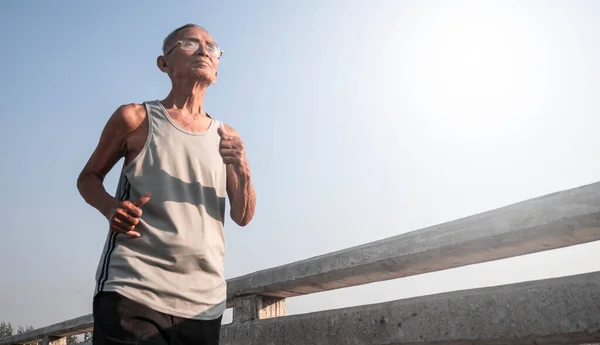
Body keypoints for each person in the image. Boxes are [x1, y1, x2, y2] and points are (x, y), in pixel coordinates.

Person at [76, 23, 256, 345]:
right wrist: (109, 207)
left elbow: (243, 215)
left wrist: (241, 165)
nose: (204, 50)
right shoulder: (136, 119)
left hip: (205, 303)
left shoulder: (227, 137)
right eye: (190, 43)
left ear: (218, 65)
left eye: (212, 47)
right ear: (164, 63)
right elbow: (88, 178)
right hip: (135, 289)